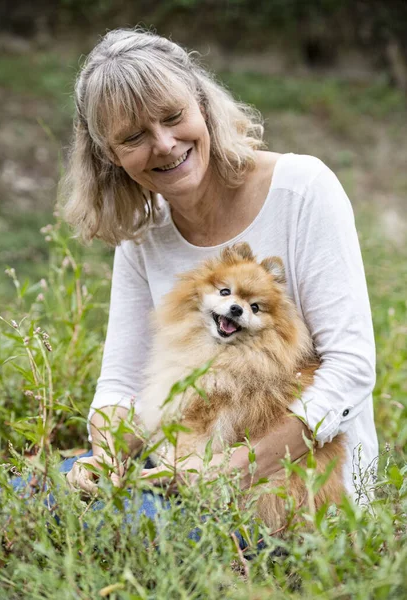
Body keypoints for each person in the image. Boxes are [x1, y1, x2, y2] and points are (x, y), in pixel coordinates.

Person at [63, 27, 378, 505]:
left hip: (301, 487)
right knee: (35, 497)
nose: (166, 144)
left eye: (173, 117)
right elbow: (121, 386)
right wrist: (105, 459)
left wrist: (237, 470)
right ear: (110, 155)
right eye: (134, 137)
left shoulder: (303, 189)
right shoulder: (142, 234)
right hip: (182, 473)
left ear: (203, 105)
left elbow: (352, 368)